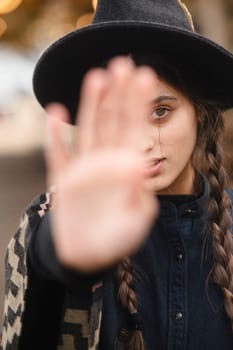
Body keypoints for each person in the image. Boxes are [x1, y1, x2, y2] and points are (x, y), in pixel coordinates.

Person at [1, 0, 233, 349]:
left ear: (198, 112)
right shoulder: (65, 216)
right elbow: (36, 298)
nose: (140, 142)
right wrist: (62, 252)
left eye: (161, 112)